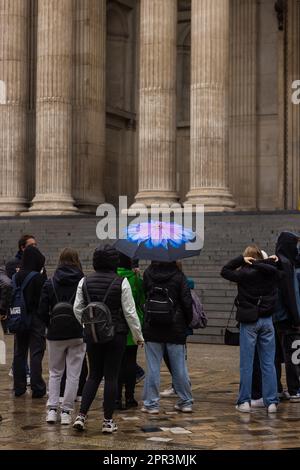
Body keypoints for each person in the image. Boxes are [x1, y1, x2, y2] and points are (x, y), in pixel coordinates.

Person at [72, 245, 144, 434]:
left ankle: (81, 416)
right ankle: (107, 421)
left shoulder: (84, 281)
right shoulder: (121, 282)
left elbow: (77, 308)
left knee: (93, 375)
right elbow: (130, 312)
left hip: (93, 335)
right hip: (116, 334)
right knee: (111, 377)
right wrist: (138, 336)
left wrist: (86, 326)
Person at [221, 245, 281, 413]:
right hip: (267, 321)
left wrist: (240, 259)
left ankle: (244, 402)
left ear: (248, 258)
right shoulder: (270, 273)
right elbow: (282, 271)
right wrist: (273, 260)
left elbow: (225, 271)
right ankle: (271, 403)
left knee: (246, 364)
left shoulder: (243, 274)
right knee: (268, 363)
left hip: (249, 321)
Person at [39, 248, 86, 425]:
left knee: (55, 373)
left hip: (55, 333)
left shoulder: (50, 282)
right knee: (74, 374)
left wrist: (49, 325)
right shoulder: (83, 282)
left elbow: (42, 310)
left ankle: (52, 409)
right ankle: (66, 412)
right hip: (77, 332)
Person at [142, 261, 193, 414]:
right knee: (179, 368)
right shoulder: (179, 276)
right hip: (175, 327)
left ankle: (151, 404)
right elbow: (186, 302)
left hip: (152, 325)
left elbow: (146, 296)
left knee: (152, 368)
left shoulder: (148, 274)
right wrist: (186, 321)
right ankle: (185, 401)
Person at [12, 246, 47, 398]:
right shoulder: (37, 277)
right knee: (36, 352)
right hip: (35, 319)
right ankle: (37, 387)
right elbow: (43, 300)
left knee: (19, 353)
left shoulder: (16, 276)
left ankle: (19, 387)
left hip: (19, 317)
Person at [273, 232, 300, 401]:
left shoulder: (276, 262)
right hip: (287, 318)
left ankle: (276, 388)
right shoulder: (286, 264)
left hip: (275, 317)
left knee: (275, 356)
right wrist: (296, 319)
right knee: (292, 355)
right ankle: (294, 390)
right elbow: (291, 295)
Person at [116, 253, 145, 410]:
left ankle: (116, 399)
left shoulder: (113, 276)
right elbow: (142, 300)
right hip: (133, 327)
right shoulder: (136, 279)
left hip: (116, 327)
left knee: (117, 364)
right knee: (130, 362)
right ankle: (130, 397)